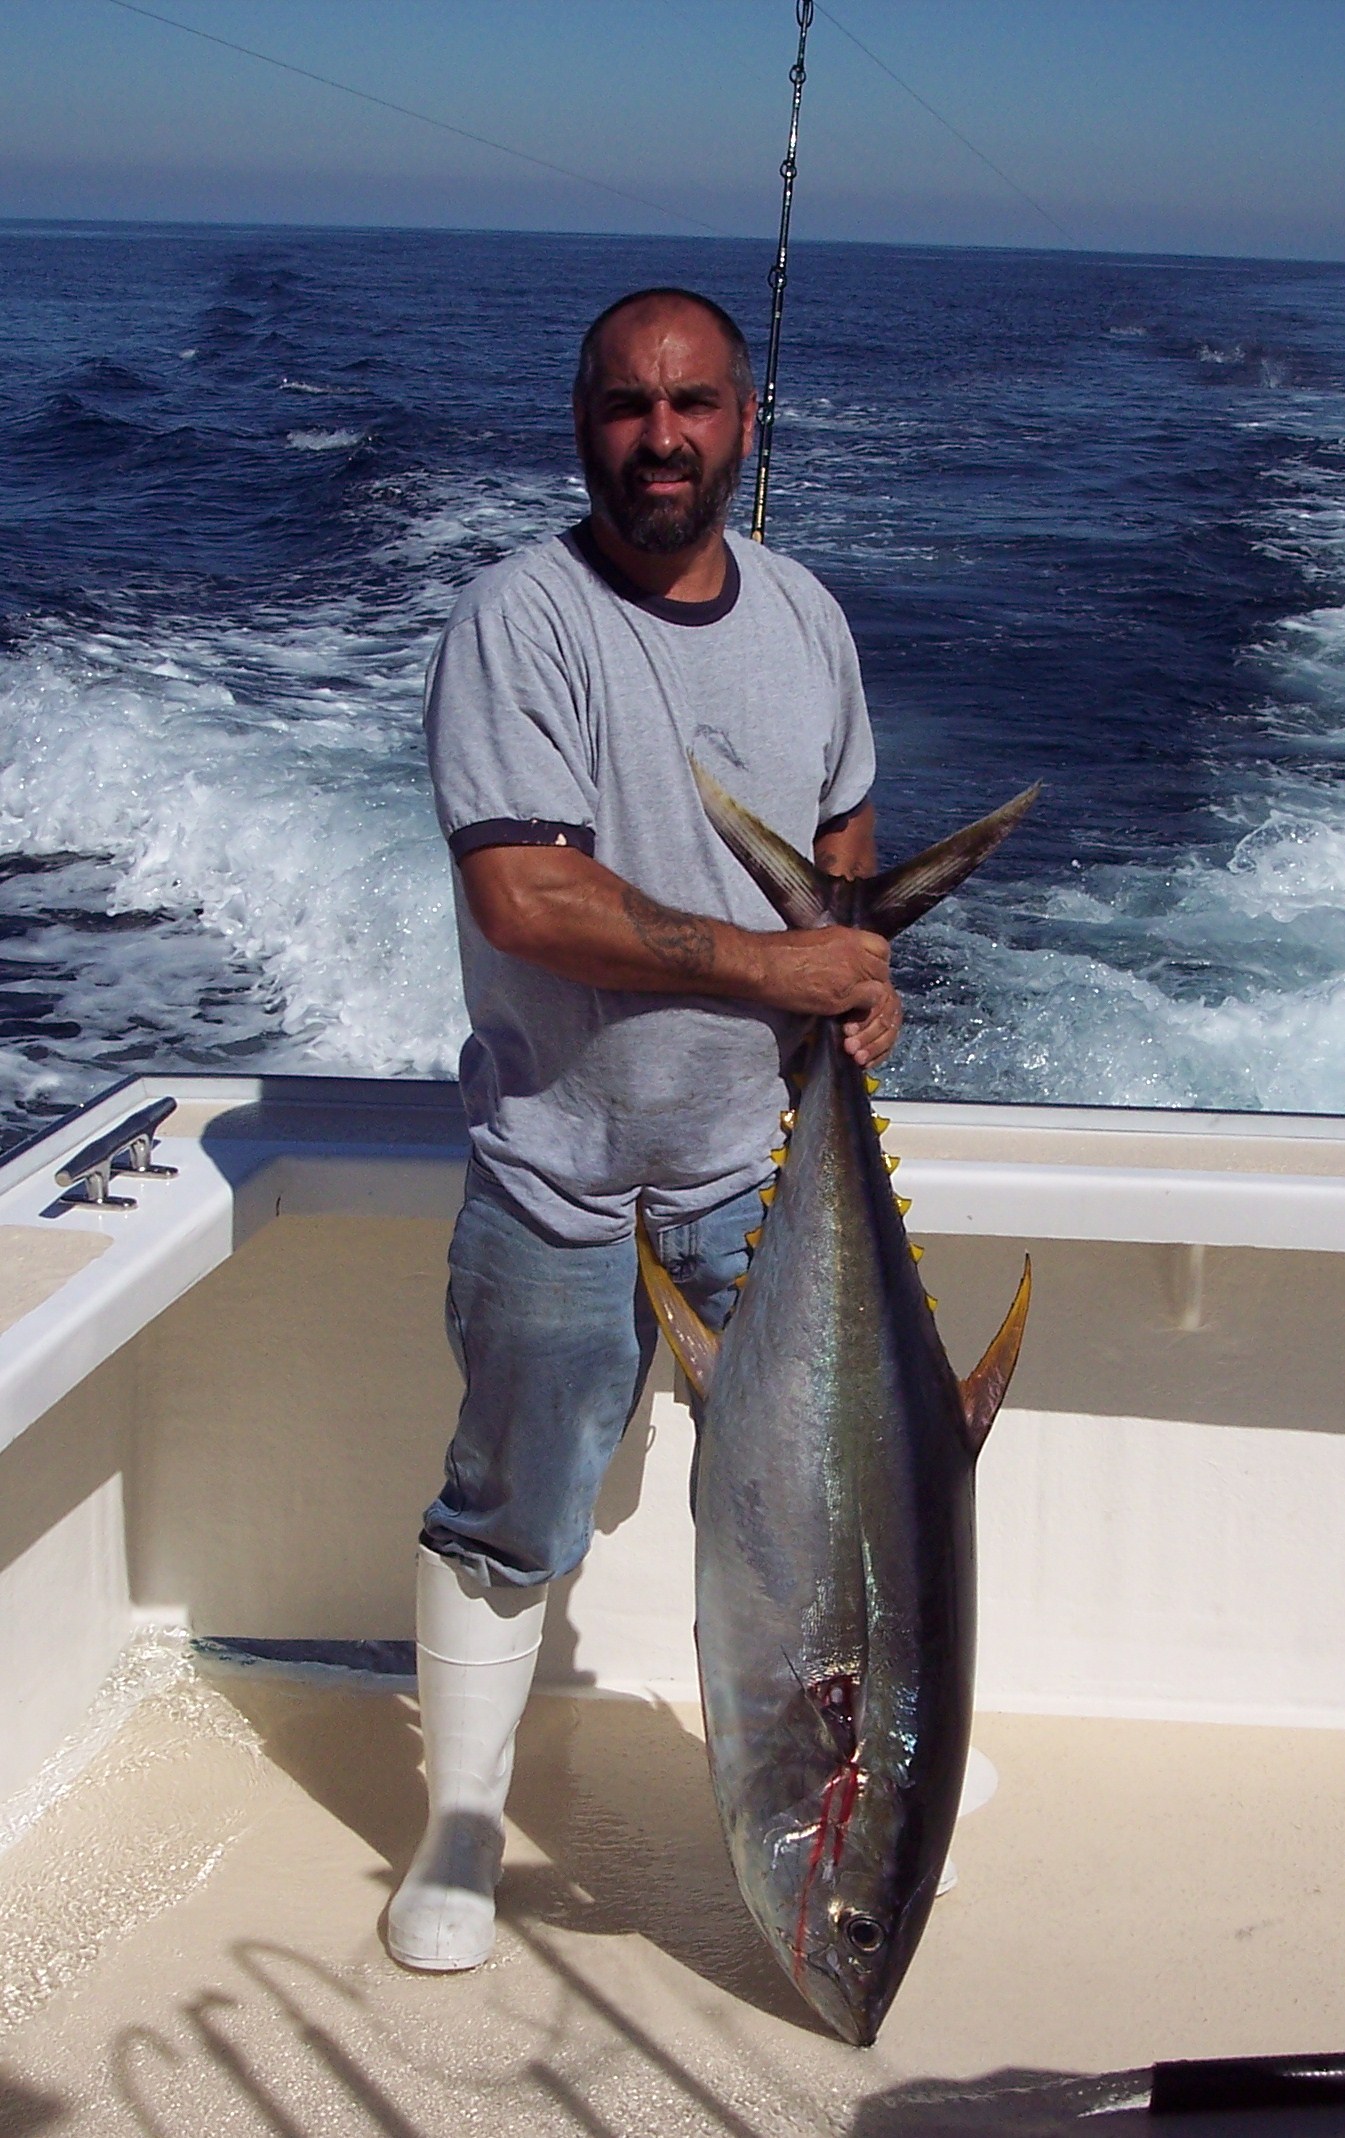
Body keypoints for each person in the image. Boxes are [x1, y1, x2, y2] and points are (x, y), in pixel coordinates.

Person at [388, 286, 901, 1971]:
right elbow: (525, 893)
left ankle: (865, 1787)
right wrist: (786, 955)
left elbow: (844, 835)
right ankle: (461, 1827)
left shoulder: (809, 619)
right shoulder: (516, 622)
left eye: (693, 404)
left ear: (749, 423)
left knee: (809, 1534)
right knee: (516, 1506)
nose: (660, 436)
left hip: (761, 1169)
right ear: (580, 423)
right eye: (625, 405)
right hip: (560, 1174)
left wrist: (859, 979)